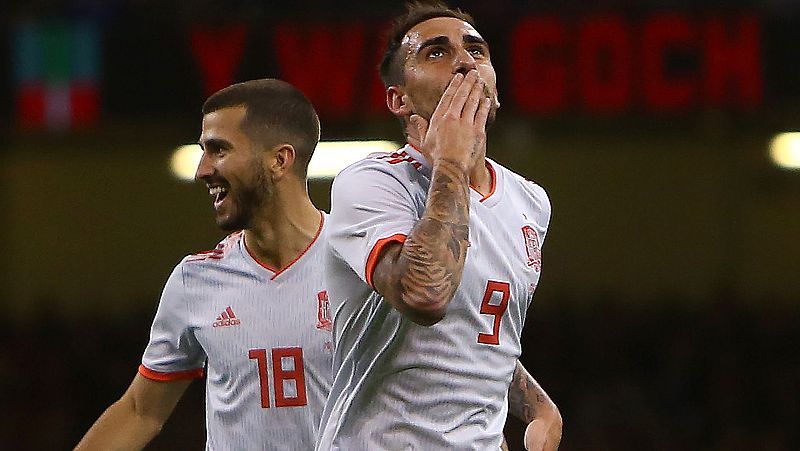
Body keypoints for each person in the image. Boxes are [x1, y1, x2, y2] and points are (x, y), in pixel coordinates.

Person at [316, 2, 562, 450]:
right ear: (399, 98)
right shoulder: (373, 183)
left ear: (496, 87)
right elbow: (426, 294)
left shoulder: (530, 201)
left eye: (476, 50)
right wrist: (451, 160)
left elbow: (476, 334)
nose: (465, 62)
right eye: (436, 53)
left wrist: (539, 405)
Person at [75, 79, 333, 450]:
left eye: (218, 150)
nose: (202, 170)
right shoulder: (195, 280)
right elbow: (139, 411)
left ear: (280, 160)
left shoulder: (358, 263)